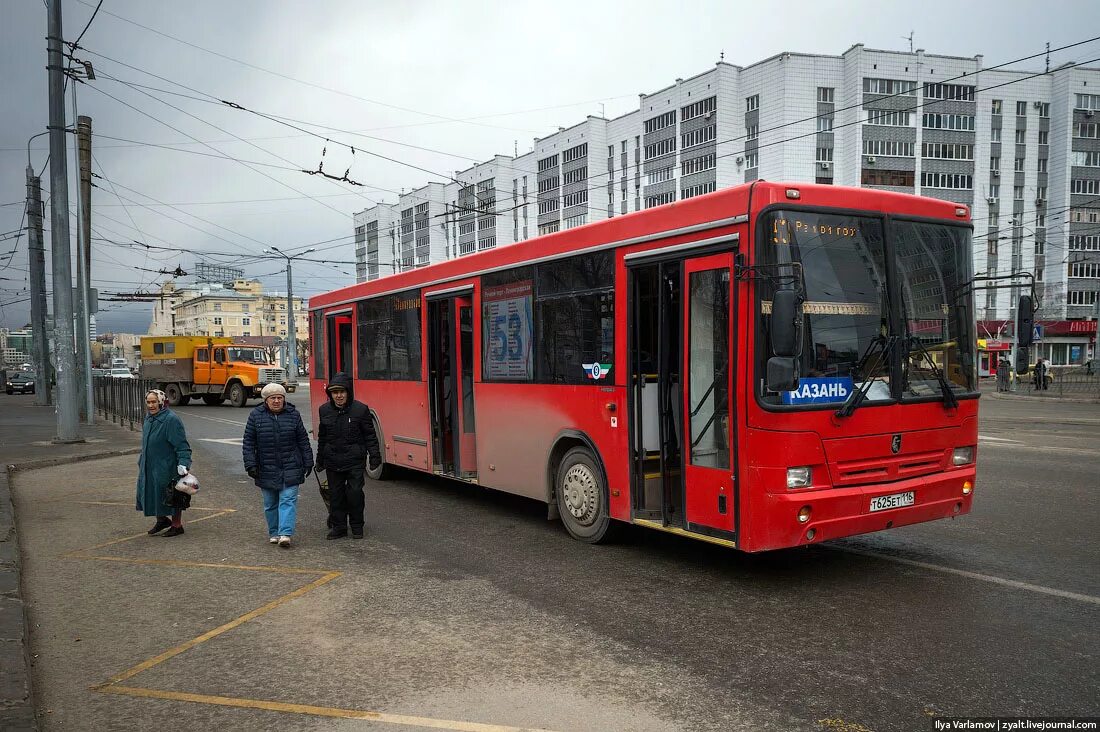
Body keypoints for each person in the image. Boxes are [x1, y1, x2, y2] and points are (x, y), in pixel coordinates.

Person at [243, 383, 314, 548]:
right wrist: (250, 464)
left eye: (279, 398)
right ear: (266, 400)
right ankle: (274, 532)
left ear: (284, 399)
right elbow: (248, 442)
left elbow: (303, 440)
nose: (276, 401)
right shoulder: (255, 416)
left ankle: (285, 534)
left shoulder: (293, 415)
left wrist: (308, 461)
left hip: (291, 465)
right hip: (265, 467)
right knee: (270, 503)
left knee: (288, 499)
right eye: (273, 398)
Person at [315, 372, 381, 540]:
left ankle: (357, 526)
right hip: (333, 461)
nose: (339, 396)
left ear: (348, 392)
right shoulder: (324, 411)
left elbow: (370, 436)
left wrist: (374, 458)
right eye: (335, 392)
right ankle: (339, 527)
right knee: (335, 495)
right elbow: (323, 437)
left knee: (355, 494)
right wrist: (320, 460)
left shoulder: (360, 409)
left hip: (354, 461)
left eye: (342, 392)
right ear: (330, 394)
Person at [136, 389, 192, 537]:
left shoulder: (171, 420)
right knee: (151, 492)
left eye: (154, 402)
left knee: (172, 495)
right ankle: (162, 520)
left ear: (161, 402)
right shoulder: (149, 418)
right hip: (149, 464)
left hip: (167, 466)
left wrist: (184, 463)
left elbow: (182, 445)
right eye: (148, 402)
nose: (150, 405)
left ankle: (176, 525)